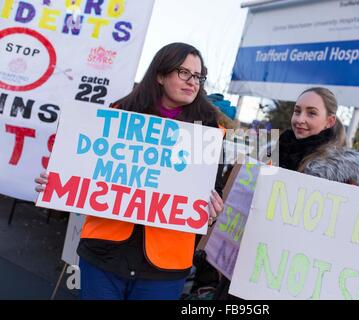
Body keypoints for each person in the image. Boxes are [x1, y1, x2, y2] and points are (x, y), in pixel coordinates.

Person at [35, 42, 225, 300]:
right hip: (104, 253)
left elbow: (211, 192)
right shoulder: (118, 113)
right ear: (160, 75)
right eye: (184, 73)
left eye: (198, 76)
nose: (193, 82)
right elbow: (87, 171)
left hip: (166, 265)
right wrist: (58, 182)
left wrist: (212, 210)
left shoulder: (210, 131)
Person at [213, 86, 359, 299]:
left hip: (284, 281)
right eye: (297, 111)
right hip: (243, 267)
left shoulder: (339, 176)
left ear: (329, 121)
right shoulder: (270, 153)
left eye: (311, 113)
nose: (300, 119)